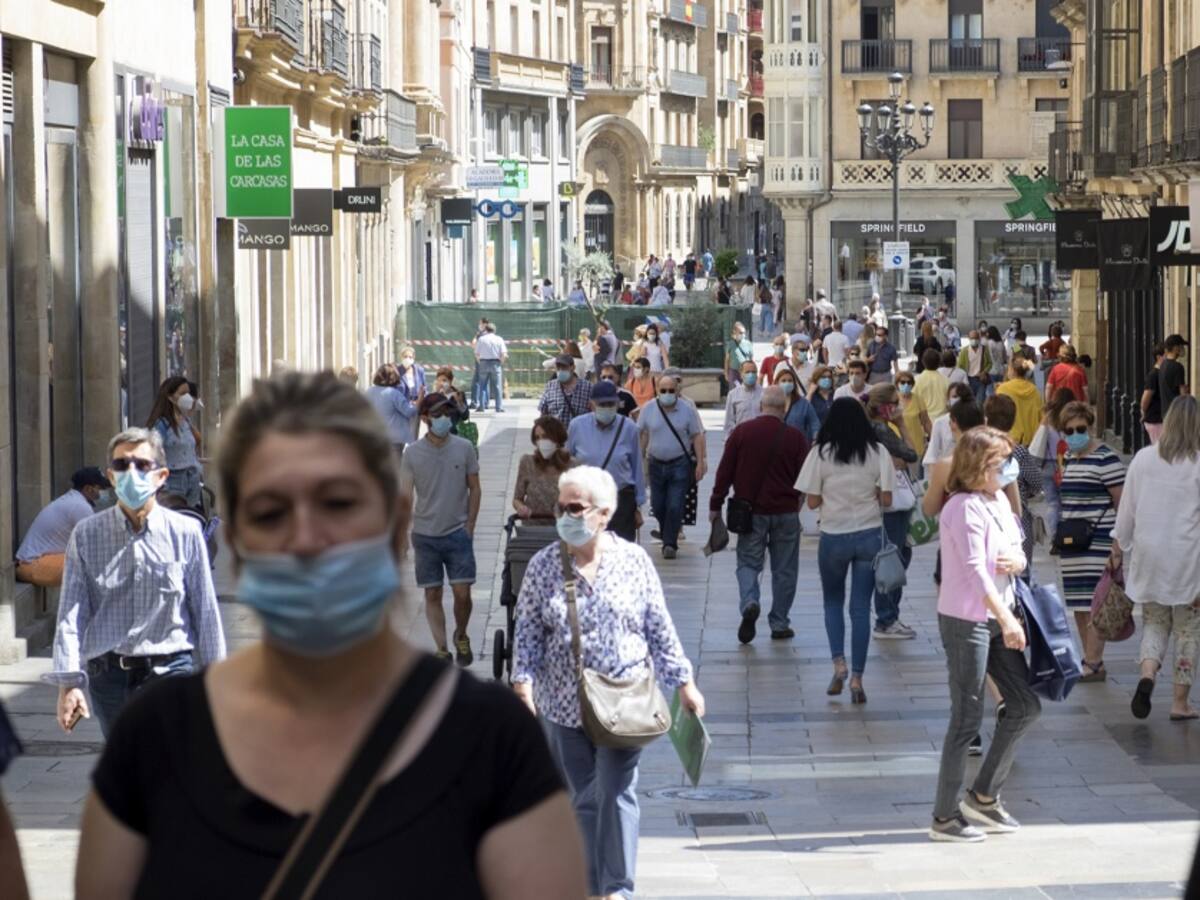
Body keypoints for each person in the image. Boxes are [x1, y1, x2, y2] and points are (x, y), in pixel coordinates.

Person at [76, 372, 585, 899]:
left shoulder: (495, 744)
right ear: (242, 543)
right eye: (272, 511)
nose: (307, 539)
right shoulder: (150, 741)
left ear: (393, 524)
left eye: (338, 504)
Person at [512, 466, 703, 900]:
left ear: (604, 512)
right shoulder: (545, 565)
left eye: (575, 507)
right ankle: (591, 886)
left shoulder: (633, 561)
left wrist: (683, 682)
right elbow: (526, 630)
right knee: (583, 796)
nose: (566, 515)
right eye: (562, 507)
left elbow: (659, 626)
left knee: (615, 793)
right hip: (563, 703)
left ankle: (618, 889)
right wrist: (522, 685)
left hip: (624, 701)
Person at [51, 428, 226, 738]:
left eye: (142, 465)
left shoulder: (185, 533)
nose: (131, 473)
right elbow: (70, 615)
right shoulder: (87, 535)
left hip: (170, 669)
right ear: (110, 476)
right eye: (121, 466)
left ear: (161, 475)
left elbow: (206, 612)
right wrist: (69, 682)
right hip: (109, 677)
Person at [929, 427, 1040, 843]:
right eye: (1002, 460)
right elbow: (976, 570)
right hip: (967, 620)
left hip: (998, 614)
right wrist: (1008, 620)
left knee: (1026, 706)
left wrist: (1015, 559)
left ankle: (984, 795)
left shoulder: (997, 499)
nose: (1010, 466)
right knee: (967, 717)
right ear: (980, 464)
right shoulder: (961, 507)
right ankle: (943, 816)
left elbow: (1018, 545)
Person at [796, 398, 894, 705]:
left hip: (834, 536)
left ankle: (839, 664)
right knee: (861, 608)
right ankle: (858, 679)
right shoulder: (878, 452)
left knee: (832, 602)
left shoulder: (820, 453)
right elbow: (888, 500)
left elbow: (811, 502)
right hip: (868, 535)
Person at [1113, 396, 1200, 720]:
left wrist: (1118, 546)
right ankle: (1180, 702)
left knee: (1154, 623)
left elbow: (1127, 511)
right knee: (1188, 630)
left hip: (1150, 556)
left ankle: (1147, 675)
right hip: (1188, 560)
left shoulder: (1143, 459)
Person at [711, 386, 809, 643]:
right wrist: (798, 502)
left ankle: (750, 602)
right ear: (785, 408)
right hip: (786, 512)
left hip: (750, 512)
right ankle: (779, 623)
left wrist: (715, 505)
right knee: (785, 569)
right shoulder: (796, 438)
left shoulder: (742, 433)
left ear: (760, 406)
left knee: (748, 563)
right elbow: (806, 478)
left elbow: (725, 472)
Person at [399, 393, 482, 666]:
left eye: (448, 413)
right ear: (425, 419)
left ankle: (461, 633)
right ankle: (442, 648)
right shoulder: (411, 453)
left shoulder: (464, 447)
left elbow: (475, 487)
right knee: (432, 593)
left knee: (462, 593)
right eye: (438, 415)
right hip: (425, 534)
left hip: (458, 532)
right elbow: (406, 495)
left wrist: (470, 524)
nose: (445, 419)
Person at [1056, 401, 1124, 683]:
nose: (1074, 435)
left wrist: (1117, 546)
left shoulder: (1106, 458)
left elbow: (1123, 505)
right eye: (1069, 430)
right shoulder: (1071, 458)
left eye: (1080, 429)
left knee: (1096, 604)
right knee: (1080, 605)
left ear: (1091, 426)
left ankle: (1092, 662)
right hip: (1073, 544)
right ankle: (1091, 660)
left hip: (1098, 542)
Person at [865, 384, 919, 639]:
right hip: (890, 502)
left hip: (888, 499)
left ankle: (890, 616)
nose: (898, 407)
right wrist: (904, 424)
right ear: (885, 406)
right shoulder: (881, 429)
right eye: (895, 403)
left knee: (899, 554)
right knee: (893, 557)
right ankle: (886, 619)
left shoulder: (875, 428)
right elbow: (911, 453)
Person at [566, 382, 646, 543]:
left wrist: (638, 504)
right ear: (592, 404)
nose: (607, 408)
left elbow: (637, 465)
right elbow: (567, 463)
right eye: (602, 404)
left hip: (620, 500)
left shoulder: (629, 427)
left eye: (611, 404)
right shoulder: (577, 426)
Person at [638, 376, 706, 559]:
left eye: (671, 390)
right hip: (655, 463)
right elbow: (641, 433)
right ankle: (667, 530)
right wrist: (638, 459)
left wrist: (701, 461)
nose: (667, 394)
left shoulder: (686, 410)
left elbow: (696, 436)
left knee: (675, 505)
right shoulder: (649, 409)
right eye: (663, 390)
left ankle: (669, 543)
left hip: (679, 463)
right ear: (658, 391)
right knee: (658, 505)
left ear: (677, 391)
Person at [15, 467, 107, 587]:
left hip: (33, 563)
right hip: (30, 565)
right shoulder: (80, 506)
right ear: (88, 489)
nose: (103, 492)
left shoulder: (73, 500)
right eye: (100, 488)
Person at [984, 395, 1043, 575]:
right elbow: (1036, 482)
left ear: (986, 418)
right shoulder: (1018, 451)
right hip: (1017, 524)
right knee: (1021, 578)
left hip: (985, 522)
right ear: (1013, 420)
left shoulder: (977, 451)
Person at [146, 376, 203, 509]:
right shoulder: (161, 425)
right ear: (171, 397)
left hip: (192, 479)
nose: (188, 397)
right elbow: (152, 456)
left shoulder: (186, 422)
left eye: (188, 393)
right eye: (183, 394)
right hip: (173, 481)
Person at [514, 416, 577, 522]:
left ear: (557, 438)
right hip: (533, 528)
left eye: (545, 437)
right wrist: (521, 508)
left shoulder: (574, 466)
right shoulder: (528, 463)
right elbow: (517, 499)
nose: (541, 441)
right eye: (537, 438)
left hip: (564, 529)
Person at [367, 364, 416, 456]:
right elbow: (409, 412)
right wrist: (419, 403)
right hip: (393, 440)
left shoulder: (369, 391)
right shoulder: (394, 394)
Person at [924, 383, 976, 467]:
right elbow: (932, 455)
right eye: (954, 396)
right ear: (948, 399)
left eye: (960, 396)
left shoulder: (976, 420)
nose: (957, 400)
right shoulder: (940, 423)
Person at [994, 356, 1043, 446]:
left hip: (1010, 439)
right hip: (1032, 440)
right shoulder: (1034, 390)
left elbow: (997, 415)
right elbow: (1041, 415)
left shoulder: (1003, 389)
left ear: (1012, 370)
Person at [538, 353, 594, 427]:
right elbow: (543, 413)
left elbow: (594, 413)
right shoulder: (550, 386)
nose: (560, 370)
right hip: (556, 435)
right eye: (558, 368)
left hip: (580, 435)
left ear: (573, 367)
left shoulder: (588, 387)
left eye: (564, 367)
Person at [774, 366, 820, 441]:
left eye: (790, 381)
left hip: (798, 444)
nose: (787, 383)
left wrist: (816, 438)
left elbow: (814, 423)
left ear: (794, 384)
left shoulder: (803, 403)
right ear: (777, 383)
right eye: (783, 381)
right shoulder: (771, 402)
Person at [895, 371, 932, 463]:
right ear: (897, 384)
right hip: (897, 446)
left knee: (915, 475)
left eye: (909, 382)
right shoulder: (893, 399)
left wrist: (932, 439)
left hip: (916, 445)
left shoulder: (918, 399)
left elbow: (926, 421)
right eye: (903, 382)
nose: (906, 385)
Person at [396, 346, 427, 443]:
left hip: (416, 405)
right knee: (401, 435)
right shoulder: (397, 371)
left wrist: (421, 402)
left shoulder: (419, 370)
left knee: (413, 436)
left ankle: (411, 454)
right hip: (402, 406)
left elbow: (424, 388)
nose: (408, 359)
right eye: (405, 356)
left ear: (413, 358)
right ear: (401, 357)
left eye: (410, 357)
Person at [475, 322, 508, 413]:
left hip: (483, 362)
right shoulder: (499, 339)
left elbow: (477, 353)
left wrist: (480, 362)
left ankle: (481, 406)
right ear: (494, 330)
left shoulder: (481, 339)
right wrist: (500, 363)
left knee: (482, 386)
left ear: (486, 330)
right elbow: (504, 354)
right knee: (497, 386)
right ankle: (498, 407)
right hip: (495, 363)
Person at [724, 360, 763, 431]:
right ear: (741, 374)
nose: (751, 374)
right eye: (747, 372)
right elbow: (729, 422)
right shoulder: (733, 394)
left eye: (753, 372)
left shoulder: (764, 393)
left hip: (759, 436)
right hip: (741, 437)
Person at [914, 349, 951, 422]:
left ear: (923, 362)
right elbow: (949, 402)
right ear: (939, 363)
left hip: (924, 420)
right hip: (943, 419)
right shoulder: (946, 380)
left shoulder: (917, 380)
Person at [432, 367, 471, 436]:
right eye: (439, 380)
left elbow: (465, 416)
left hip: (455, 434)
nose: (441, 383)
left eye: (444, 380)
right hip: (439, 435)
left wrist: (459, 403)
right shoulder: (435, 396)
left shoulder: (459, 394)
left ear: (450, 381)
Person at [1158, 333, 1190, 416]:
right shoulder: (1178, 367)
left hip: (1165, 414)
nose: (1182, 349)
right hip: (1176, 414)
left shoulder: (1162, 365)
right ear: (1175, 348)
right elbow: (1183, 395)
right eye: (1181, 346)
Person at [957, 330, 992, 405]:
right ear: (969, 339)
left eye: (976, 338)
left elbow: (990, 363)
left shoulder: (984, 349)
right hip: (968, 379)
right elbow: (960, 365)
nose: (974, 340)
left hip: (980, 379)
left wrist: (984, 372)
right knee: (970, 402)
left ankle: (979, 415)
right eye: (972, 338)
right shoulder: (964, 351)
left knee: (979, 402)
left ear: (979, 338)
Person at [1141, 342, 1166, 443]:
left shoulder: (1161, 373)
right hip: (1155, 419)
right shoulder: (1154, 375)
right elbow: (1146, 397)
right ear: (1159, 357)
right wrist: (1143, 411)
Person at [984, 326, 1009, 393]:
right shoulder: (1001, 343)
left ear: (989, 333)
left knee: (991, 391)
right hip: (1001, 370)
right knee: (1000, 391)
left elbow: (987, 357)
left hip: (991, 370)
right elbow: (1005, 357)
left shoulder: (989, 343)